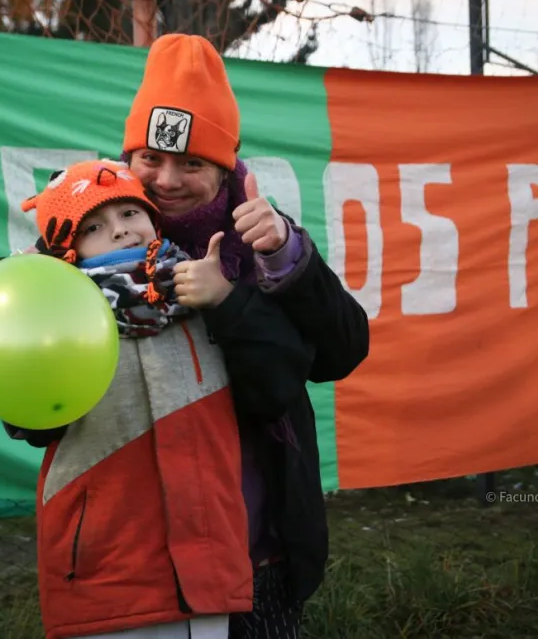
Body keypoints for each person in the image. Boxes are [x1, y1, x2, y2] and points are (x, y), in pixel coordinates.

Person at [117, 33, 372, 638]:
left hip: (257, 550)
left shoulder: (259, 238)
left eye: (192, 163)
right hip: (134, 555)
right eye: (151, 158)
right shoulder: (91, 239)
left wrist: (280, 258)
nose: (167, 180)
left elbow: (339, 352)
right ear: (128, 157)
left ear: (225, 168)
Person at [3, 159, 314, 639]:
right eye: (93, 227)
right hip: (107, 579)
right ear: (66, 248)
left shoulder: (202, 294)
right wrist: (29, 310)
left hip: (208, 573)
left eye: (130, 213)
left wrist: (227, 300)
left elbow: (280, 379)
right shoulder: (55, 318)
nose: (120, 230)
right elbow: (29, 422)